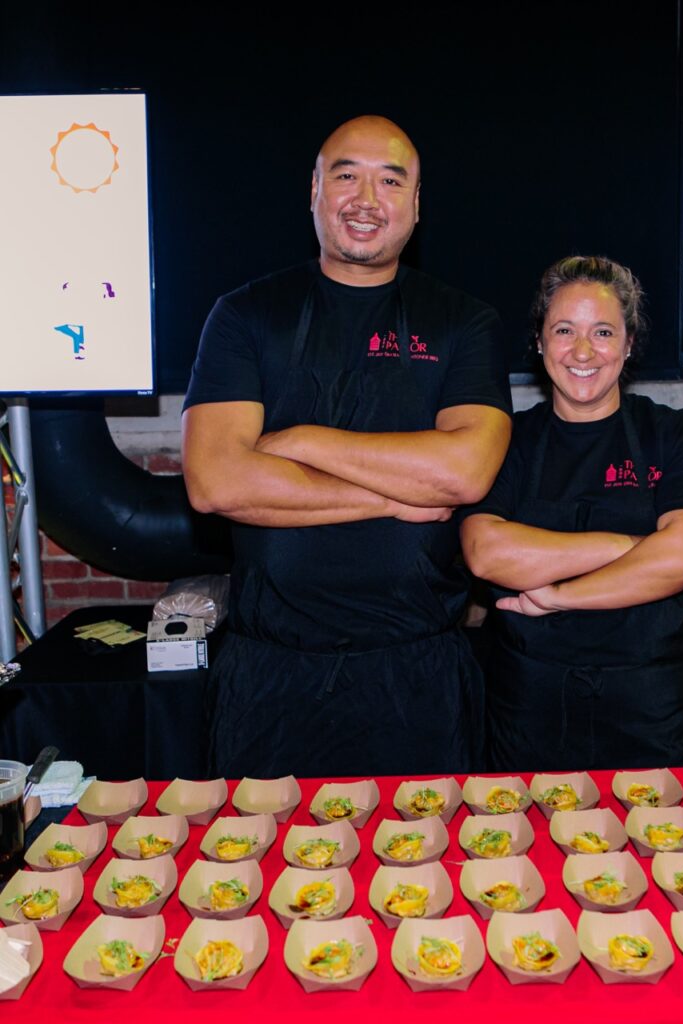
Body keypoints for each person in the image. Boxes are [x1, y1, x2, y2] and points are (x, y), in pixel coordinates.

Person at [182, 115, 512, 778]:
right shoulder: (246, 315)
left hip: (417, 674)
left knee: (429, 875)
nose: (367, 197)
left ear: (416, 206)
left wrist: (300, 440)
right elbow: (216, 483)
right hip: (271, 676)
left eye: (391, 180)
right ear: (313, 191)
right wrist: (391, 498)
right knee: (255, 876)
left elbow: (464, 473)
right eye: (346, 175)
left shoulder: (462, 322)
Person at [460, 255, 683, 770]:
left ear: (628, 344)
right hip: (529, 705)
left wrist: (559, 596)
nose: (583, 351)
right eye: (564, 330)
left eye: (603, 331)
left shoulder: (675, 435)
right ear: (538, 341)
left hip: (649, 705)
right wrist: (628, 547)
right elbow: (486, 552)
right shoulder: (507, 440)